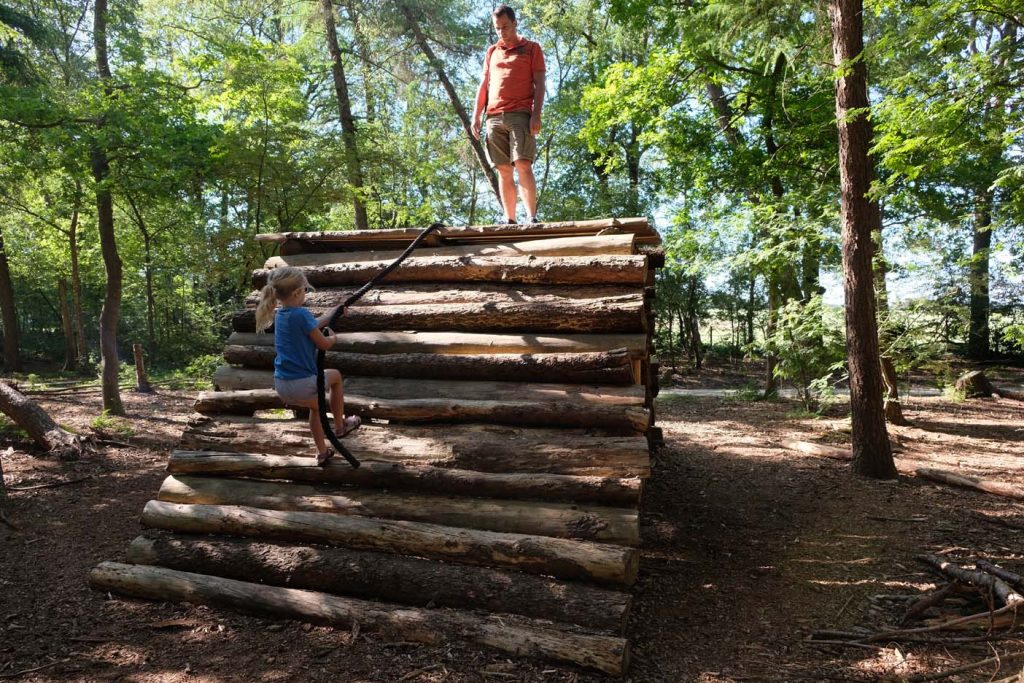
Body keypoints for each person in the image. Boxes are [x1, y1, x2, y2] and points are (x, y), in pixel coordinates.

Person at [255, 267, 361, 466]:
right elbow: (323, 343)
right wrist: (333, 338)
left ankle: (322, 452)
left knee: (316, 408)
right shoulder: (301, 314)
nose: (306, 293)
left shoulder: (282, 314)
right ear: (297, 293)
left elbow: (312, 325)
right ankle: (340, 426)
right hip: (301, 383)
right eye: (304, 290)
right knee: (336, 377)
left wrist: (333, 313)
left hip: (282, 385)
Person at [471, 4, 545, 225]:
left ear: (515, 23)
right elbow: (484, 85)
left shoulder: (532, 48)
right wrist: (476, 115)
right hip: (493, 117)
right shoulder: (492, 52)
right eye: (497, 28)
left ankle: (531, 217)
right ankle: (510, 219)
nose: (501, 32)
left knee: (523, 163)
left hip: (520, 114)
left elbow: (540, 84)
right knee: (503, 169)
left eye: (505, 26)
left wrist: (536, 114)